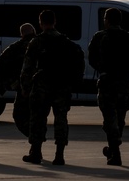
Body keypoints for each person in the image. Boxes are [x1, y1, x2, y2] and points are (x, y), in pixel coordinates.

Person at [21, 10, 83, 166]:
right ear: (55, 22)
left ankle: (36, 152)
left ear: (40, 23)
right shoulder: (66, 42)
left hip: (42, 84)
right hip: (62, 85)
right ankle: (59, 155)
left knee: (37, 118)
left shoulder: (37, 42)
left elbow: (27, 67)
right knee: (61, 119)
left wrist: (25, 87)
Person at [88, 8, 129, 166]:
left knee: (110, 119)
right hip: (124, 82)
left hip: (107, 82)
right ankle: (113, 149)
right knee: (120, 118)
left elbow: (92, 58)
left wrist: (103, 67)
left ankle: (115, 152)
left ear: (107, 20)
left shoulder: (100, 37)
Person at [0, 23, 37, 137]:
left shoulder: (16, 47)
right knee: (38, 116)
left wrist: (8, 81)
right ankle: (38, 139)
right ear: (34, 32)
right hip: (43, 87)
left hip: (23, 89)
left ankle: (33, 138)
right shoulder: (44, 45)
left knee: (19, 115)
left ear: (21, 34)